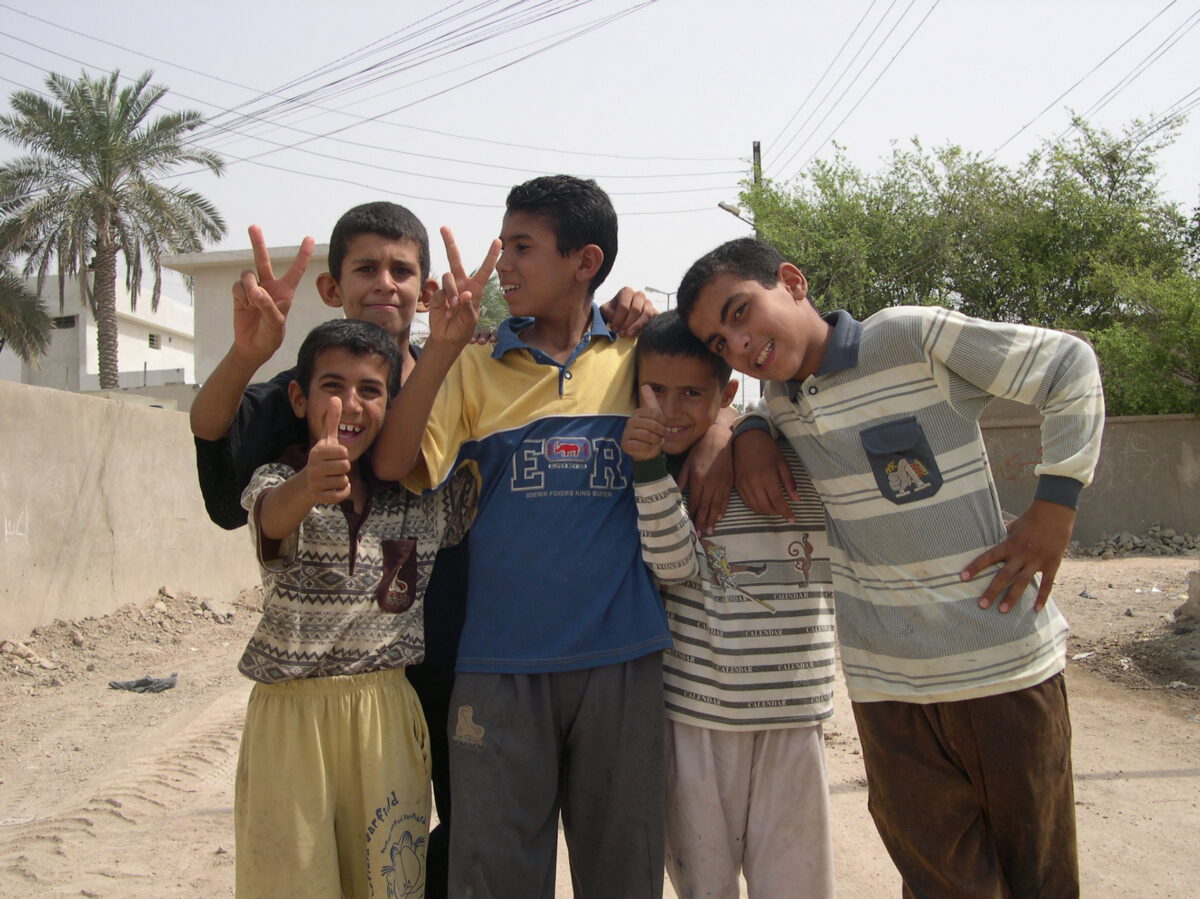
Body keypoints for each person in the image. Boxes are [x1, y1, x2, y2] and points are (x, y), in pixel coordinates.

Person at [188, 202, 657, 897]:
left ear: (426, 289)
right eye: (366, 268)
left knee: (444, 840)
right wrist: (249, 353)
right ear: (331, 287)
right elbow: (232, 489)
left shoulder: (468, 367)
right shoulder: (307, 391)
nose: (385, 284)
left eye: (401, 269)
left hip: (465, 658)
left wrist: (625, 306)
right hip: (346, 682)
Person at [676, 236, 1106, 898]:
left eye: (739, 312)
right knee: (940, 882)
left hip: (1003, 667)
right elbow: (738, 406)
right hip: (888, 693)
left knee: (1039, 878)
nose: (736, 343)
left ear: (791, 281)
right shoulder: (784, 405)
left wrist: (1056, 503)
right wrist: (748, 431)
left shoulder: (909, 337)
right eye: (717, 342)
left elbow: (1068, 363)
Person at [372, 175, 728, 899]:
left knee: (623, 875)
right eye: (502, 246)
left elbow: (707, 396)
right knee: (494, 878)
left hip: (623, 664)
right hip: (499, 668)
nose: (502, 263)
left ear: (584, 260)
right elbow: (392, 462)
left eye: (521, 247)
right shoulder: (474, 367)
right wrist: (439, 349)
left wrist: (726, 434)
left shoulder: (636, 358)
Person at [233, 318, 477, 898]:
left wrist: (467, 352)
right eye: (332, 386)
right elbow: (269, 519)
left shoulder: (423, 500)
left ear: (393, 404)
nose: (350, 404)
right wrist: (310, 483)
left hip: (387, 713)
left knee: (390, 881)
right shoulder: (279, 478)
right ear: (299, 397)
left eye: (370, 390)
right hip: (290, 721)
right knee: (293, 880)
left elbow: (486, 454)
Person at [620, 311, 837, 899]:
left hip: (794, 713)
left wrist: (744, 428)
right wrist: (648, 471)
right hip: (697, 717)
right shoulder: (661, 474)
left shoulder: (794, 453)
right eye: (655, 391)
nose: (671, 408)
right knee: (703, 881)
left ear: (726, 393)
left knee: (796, 882)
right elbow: (671, 567)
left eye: (693, 393)